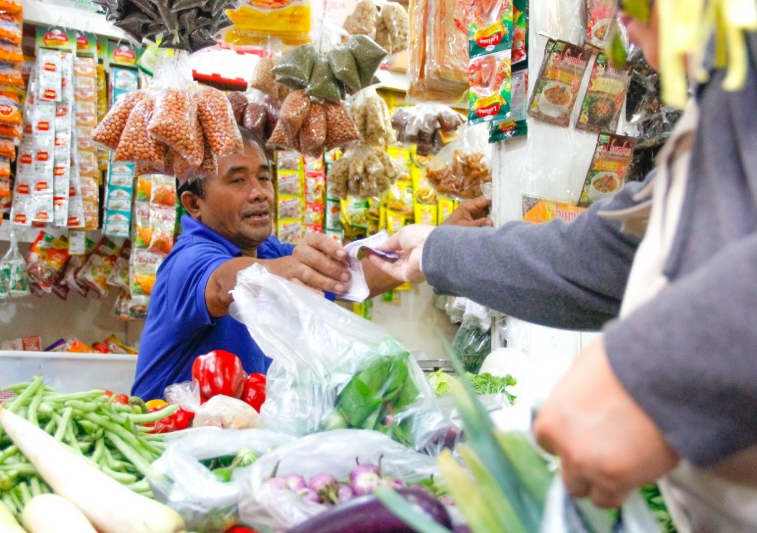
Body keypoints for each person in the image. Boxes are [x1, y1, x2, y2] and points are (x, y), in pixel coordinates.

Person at [368, 6, 757, 531]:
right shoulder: (724, 105)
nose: (622, 29)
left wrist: (647, 371)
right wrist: (436, 251)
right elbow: (609, 254)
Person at [132, 127, 491, 401]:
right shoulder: (187, 260)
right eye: (238, 180)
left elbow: (351, 277)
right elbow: (223, 284)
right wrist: (294, 270)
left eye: (263, 177)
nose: (259, 192)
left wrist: (436, 243)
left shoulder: (269, 253)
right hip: (166, 452)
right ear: (194, 205)